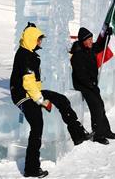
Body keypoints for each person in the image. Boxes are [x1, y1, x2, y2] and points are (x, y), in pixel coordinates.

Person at [10, 23, 91, 178]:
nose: (40, 41)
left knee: (61, 100)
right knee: (37, 126)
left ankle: (78, 133)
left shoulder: (29, 53)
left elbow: (32, 84)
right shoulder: (25, 56)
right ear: (32, 39)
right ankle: (31, 168)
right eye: (39, 39)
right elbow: (28, 83)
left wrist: (40, 96)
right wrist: (41, 100)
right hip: (22, 96)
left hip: (31, 92)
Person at [70, 27, 115, 145]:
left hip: (91, 84)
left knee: (100, 105)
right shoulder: (77, 54)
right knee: (96, 107)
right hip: (82, 85)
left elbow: (101, 45)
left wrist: (106, 35)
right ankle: (98, 135)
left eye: (92, 39)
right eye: (89, 40)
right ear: (83, 41)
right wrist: (90, 84)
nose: (91, 41)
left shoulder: (90, 48)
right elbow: (80, 75)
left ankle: (106, 131)